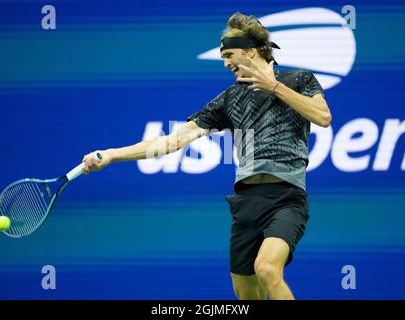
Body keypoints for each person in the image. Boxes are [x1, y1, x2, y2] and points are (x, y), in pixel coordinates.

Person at [82, 12, 332, 300]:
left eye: (229, 54)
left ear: (251, 51)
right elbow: (174, 140)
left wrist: (273, 86)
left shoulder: (299, 79)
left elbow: (323, 117)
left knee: (267, 269)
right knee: (245, 294)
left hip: (287, 198)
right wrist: (113, 155)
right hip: (247, 203)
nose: (225, 63)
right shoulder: (229, 99)